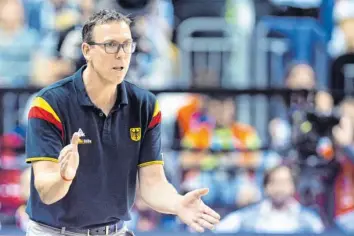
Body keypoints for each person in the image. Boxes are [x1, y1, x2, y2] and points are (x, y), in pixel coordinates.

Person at [25, 9, 220, 236]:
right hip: (54, 232)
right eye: (110, 45)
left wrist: (178, 204)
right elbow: (47, 193)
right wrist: (64, 176)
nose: (121, 54)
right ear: (87, 50)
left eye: (127, 45)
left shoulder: (145, 105)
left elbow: (152, 184)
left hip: (116, 231)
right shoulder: (49, 103)